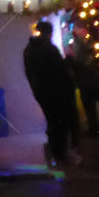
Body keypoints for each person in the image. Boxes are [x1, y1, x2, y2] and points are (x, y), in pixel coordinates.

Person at [23, 20, 78, 166]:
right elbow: (60, 70)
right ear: (50, 33)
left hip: (41, 91)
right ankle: (60, 154)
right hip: (56, 91)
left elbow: (29, 72)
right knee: (60, 121)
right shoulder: (49, 48)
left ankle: (55, 153)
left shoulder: (29, 49)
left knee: (52, 120)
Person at [67, 23, 99, 136]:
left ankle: (96, 129)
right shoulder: (91, 45)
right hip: (96, 81)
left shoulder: (79, 46)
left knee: (93, 107)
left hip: (90, 81)